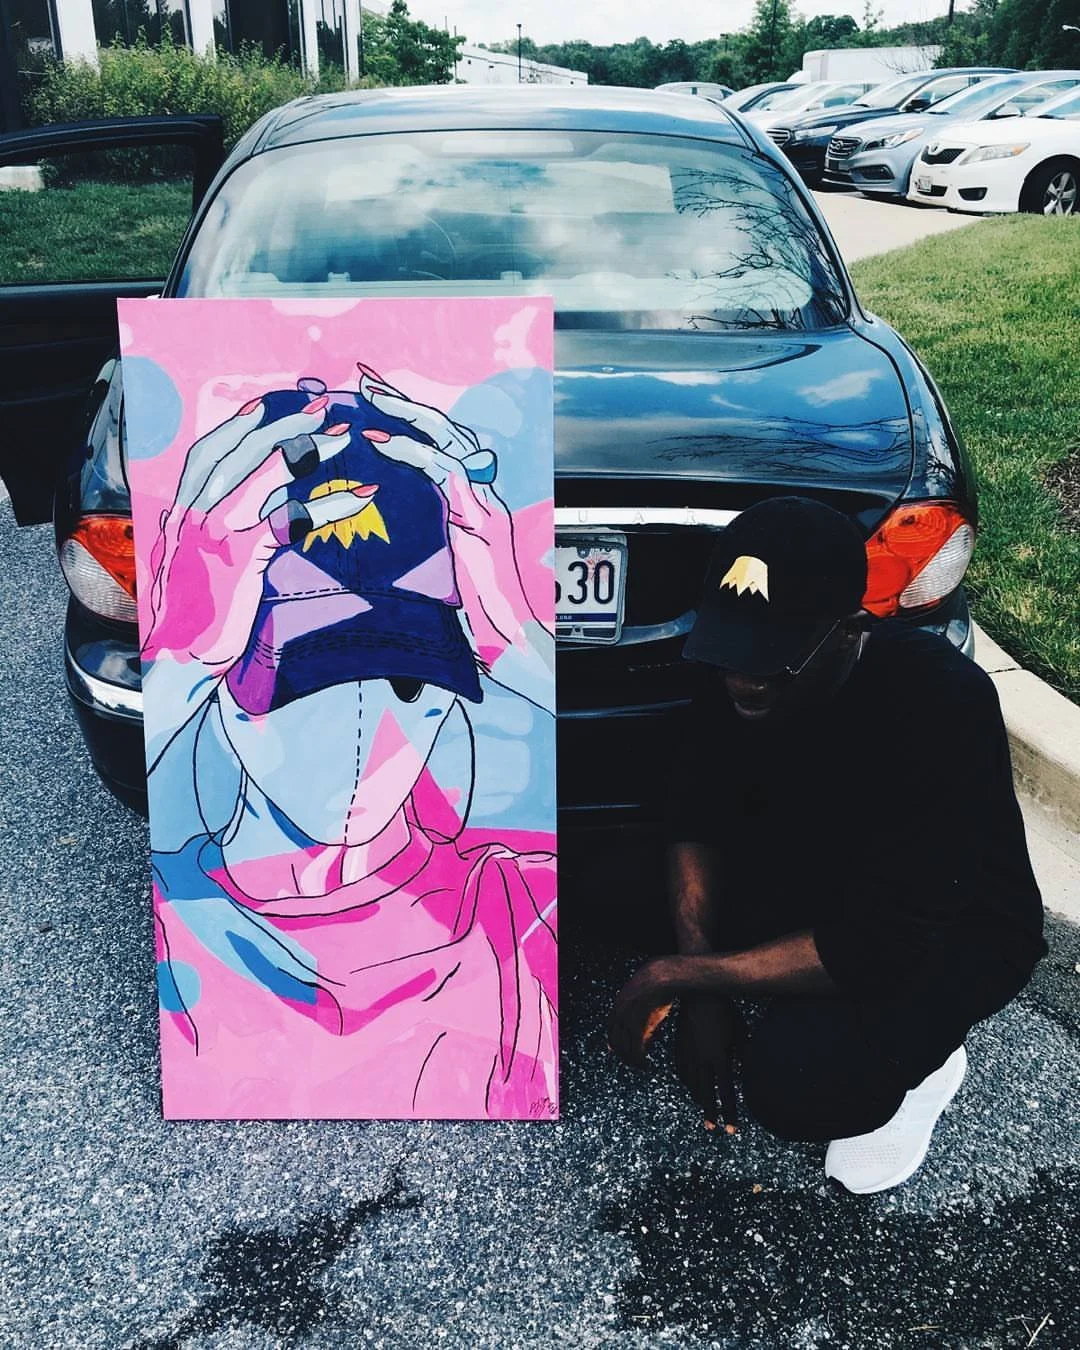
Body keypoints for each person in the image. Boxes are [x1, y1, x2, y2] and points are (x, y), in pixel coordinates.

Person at [143, 367, 557, 1120]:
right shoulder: (180, 915)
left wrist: (518, 634)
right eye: (308, 682)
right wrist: (171, 662)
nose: (365, 732)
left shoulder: (518, 903)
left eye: (409, 682)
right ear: (221, 676)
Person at [608, 496, 1046, 1193]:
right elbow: (693, 816)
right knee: (606, 886)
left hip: (947, 928)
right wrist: (703, 983)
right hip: (819, 865)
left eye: (770, 660)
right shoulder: (739, 665)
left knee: (798, 1084)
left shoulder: (943, 705)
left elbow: (878, 943)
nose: (743, 678)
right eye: (731, 651)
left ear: (848, 632)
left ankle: (928, 1063)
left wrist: (681, 975)